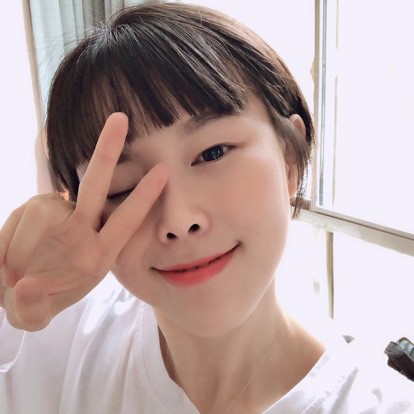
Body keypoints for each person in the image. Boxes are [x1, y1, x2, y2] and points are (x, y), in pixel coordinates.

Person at [0, 3, 412, 413]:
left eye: (213, 153)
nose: (179, 220)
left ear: (289, 159)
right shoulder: (50, 337)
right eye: (124, 189)